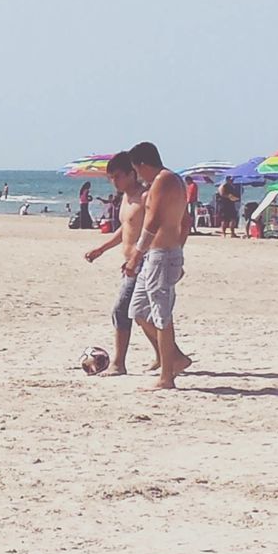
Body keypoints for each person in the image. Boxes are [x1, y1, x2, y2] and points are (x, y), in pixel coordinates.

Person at [84, 151, 177, 376]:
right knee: (142, 313)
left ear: (131, 174)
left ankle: (119, 363)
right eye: (110, 178)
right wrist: (102, 249)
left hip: (144, 262)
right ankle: (165, 356)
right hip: (130, 263)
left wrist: (139, 257)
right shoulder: (125, 198)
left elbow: (153, 228)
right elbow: (126, 229)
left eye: (117, 176)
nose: (114, 182)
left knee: (122, 311)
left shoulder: (146, 196)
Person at [123, 142, 192, 390]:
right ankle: (175, 357)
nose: (138, 175)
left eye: (136, 169)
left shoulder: (164, 180)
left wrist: (136, 255)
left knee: (162, 314)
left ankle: (167, 377)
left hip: (161, 255)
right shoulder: (172, 181)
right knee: (138, 310)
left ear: (141, 164)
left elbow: (153, 222)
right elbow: (186, 222)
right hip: (159, 255)